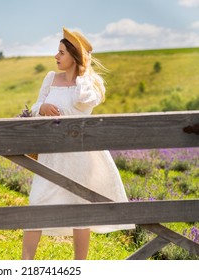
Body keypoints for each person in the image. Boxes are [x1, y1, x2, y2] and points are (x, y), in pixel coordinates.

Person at [22, 27, 135, 260]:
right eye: (58, 51)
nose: (56, 56)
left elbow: (84, 103)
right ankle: (25, 265)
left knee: (80, 211)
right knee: (36, 205)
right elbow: (34, 108)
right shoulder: (50, 79)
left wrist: (83, 72)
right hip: (52, 156)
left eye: (62, 52)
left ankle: (79, 267)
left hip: (80, 158)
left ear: (75, 57)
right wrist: (40, 109)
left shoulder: (89, 85)